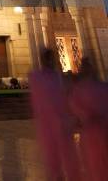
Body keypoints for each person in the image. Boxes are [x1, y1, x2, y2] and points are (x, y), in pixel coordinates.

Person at [29, 48, 81, 181]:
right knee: (53, 157)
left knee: (68, 155)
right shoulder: (37, 76)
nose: (50, 61)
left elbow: (66, 96)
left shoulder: (57, 76)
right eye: (48, 58)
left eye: (51, 58)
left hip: (61, 122)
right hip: (48, 124)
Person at [70, 57, 108, 181]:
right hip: (90, 133)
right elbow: (75, 107)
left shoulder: (103, 87)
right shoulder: (79, 89)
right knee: (93, 163)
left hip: (103, 131)